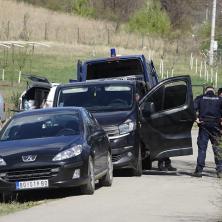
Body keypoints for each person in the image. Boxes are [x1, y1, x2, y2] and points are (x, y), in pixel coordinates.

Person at [193, 85, 222, 178]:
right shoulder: (219, 99)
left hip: (203, 125)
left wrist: (196, 119)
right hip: (216, 126)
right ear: (214, 91)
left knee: (202, 149)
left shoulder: (200, 98)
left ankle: (199, 171)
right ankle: (220, 171)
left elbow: (192, 109)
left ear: (206, 91)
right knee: (217, 149)